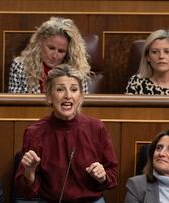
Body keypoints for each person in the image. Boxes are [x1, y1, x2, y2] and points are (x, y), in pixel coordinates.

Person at [15, 64, 118, 202]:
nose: (68, 96)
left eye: (74, 89)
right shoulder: (35, 132)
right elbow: (25, 191)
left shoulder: (97, 128)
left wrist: (102, 176)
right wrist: (29, 172)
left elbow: (112, 174)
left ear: (80, 96)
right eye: (60, 89)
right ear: (49, 96)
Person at [8, 17, 91, 94]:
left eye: (61, 51)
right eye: (51, 48)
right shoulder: (21, 66)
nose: (54, 56)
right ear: (40, 42)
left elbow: (82, 104)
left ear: (68, 52)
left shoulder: (77, 69)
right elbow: (15, 104)